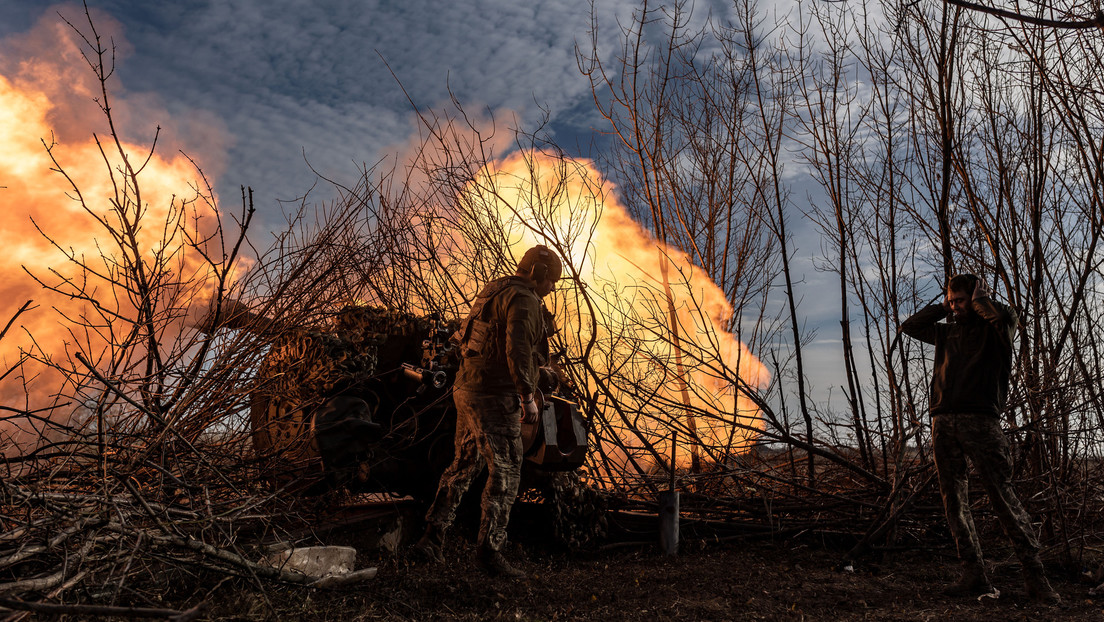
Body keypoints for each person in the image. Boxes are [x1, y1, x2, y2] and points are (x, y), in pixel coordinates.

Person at [901, 274, 1060, 603]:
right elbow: (910, 326)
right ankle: (975, 575)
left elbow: (1002, 318)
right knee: (954, 501)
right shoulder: (946, 331)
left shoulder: (997, 327)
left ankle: (1036, 577)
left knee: (1003, 498)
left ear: (976, 297)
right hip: (943, 421)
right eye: (953, 301)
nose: (957, 307)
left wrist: (978, 300)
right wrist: (942, 306)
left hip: (981, 421)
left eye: (961, 300)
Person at [413, 245, 562, 578]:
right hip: (495, 396)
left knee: (463, 464)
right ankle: (489, 553)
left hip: (467, 390)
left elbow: (467, 337)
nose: (551, 288)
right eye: (550, 281)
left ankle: (431, 537)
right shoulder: (523, 300)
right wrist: (527, 397)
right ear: (538, 274)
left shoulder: (495, 289)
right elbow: (517, 351)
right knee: (507, 472)